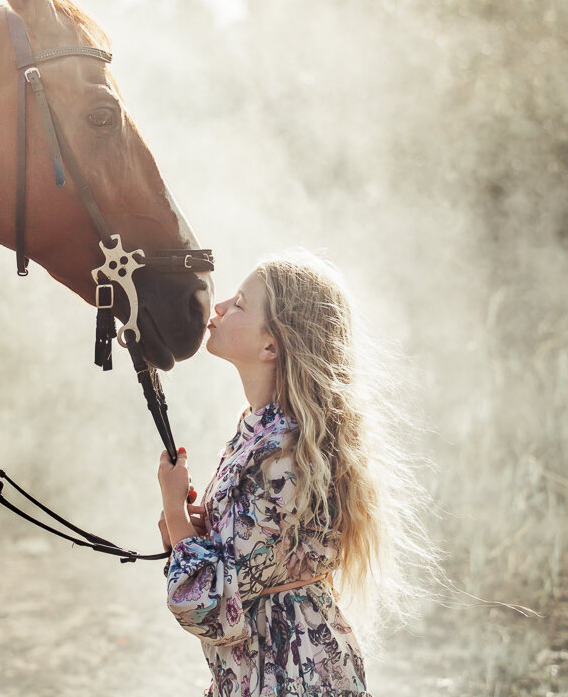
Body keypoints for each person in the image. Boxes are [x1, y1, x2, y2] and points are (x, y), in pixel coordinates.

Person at [157, 251, 424, 696]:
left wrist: (174, 509)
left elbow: (210, 606)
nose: (219, 307)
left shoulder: (284, 453)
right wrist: (192, 531)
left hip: (291, 680)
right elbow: (247, 563)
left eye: (240, 303)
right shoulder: (262, 430)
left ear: (271, 346)